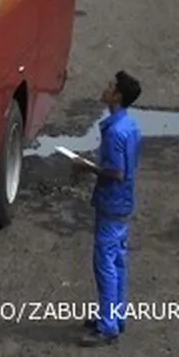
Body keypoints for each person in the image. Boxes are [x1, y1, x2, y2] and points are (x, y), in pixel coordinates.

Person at [73, 70, 142, 347]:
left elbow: (116, 172)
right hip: (124, 202)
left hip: (112, 202)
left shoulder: (114, 132)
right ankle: (115, 315)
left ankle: (108, 326)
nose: (106, 87)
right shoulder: (130, 125)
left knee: (105, 264)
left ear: (118, 96)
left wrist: (86, 166)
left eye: (111, 86)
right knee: (118, 261)